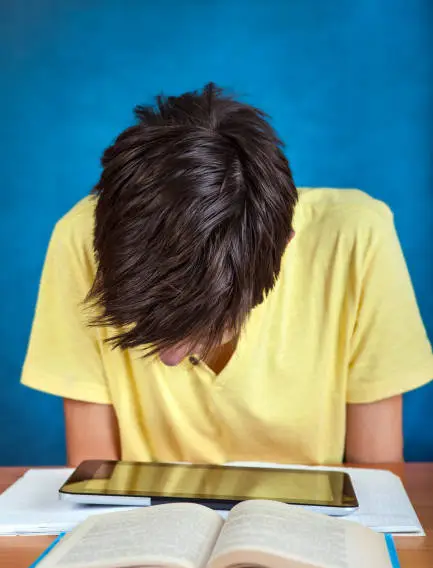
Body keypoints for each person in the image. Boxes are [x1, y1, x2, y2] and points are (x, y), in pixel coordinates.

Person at [22, 83, 433, 467]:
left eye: (199, 324)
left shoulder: (357, 236)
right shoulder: (81, 238)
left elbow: (378, 484)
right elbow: (95, 482)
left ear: (282, 247)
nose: (168, 358)